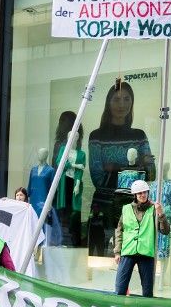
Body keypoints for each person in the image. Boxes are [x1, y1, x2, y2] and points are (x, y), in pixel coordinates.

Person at [88, 79, 154, 255]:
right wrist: (132, 167)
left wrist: (113, 167)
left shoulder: (139, 135)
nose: (122, 104)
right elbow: (97, 176)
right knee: (104, 253)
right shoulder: (97, 136)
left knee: (133, 252)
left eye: (126, 99)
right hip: (104, 205)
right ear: (108, 102)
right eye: (117, 99)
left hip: (135, 207)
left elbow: (150, 173)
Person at [114, 180, 171, 297]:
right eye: (139, 193)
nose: (142, 195)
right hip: (127, 251)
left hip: (146, 253)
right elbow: (119, 231)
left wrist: (161, 214)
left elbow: (165, 231)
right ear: (135, 195)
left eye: (144, 192)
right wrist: (117, 252)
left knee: (147, 291)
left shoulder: (155, 209)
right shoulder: (126, 209)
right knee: (120, 288)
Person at [53, 112, 86, 246]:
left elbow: (81, 169)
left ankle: (74, 241)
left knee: (74, 211)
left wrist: (77, 181)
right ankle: (62, 239)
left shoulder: (81, 152)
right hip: (63, 182)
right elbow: (60, 163)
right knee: (63, 210)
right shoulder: (61, 147)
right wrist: (74, 165)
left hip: (75, 181)